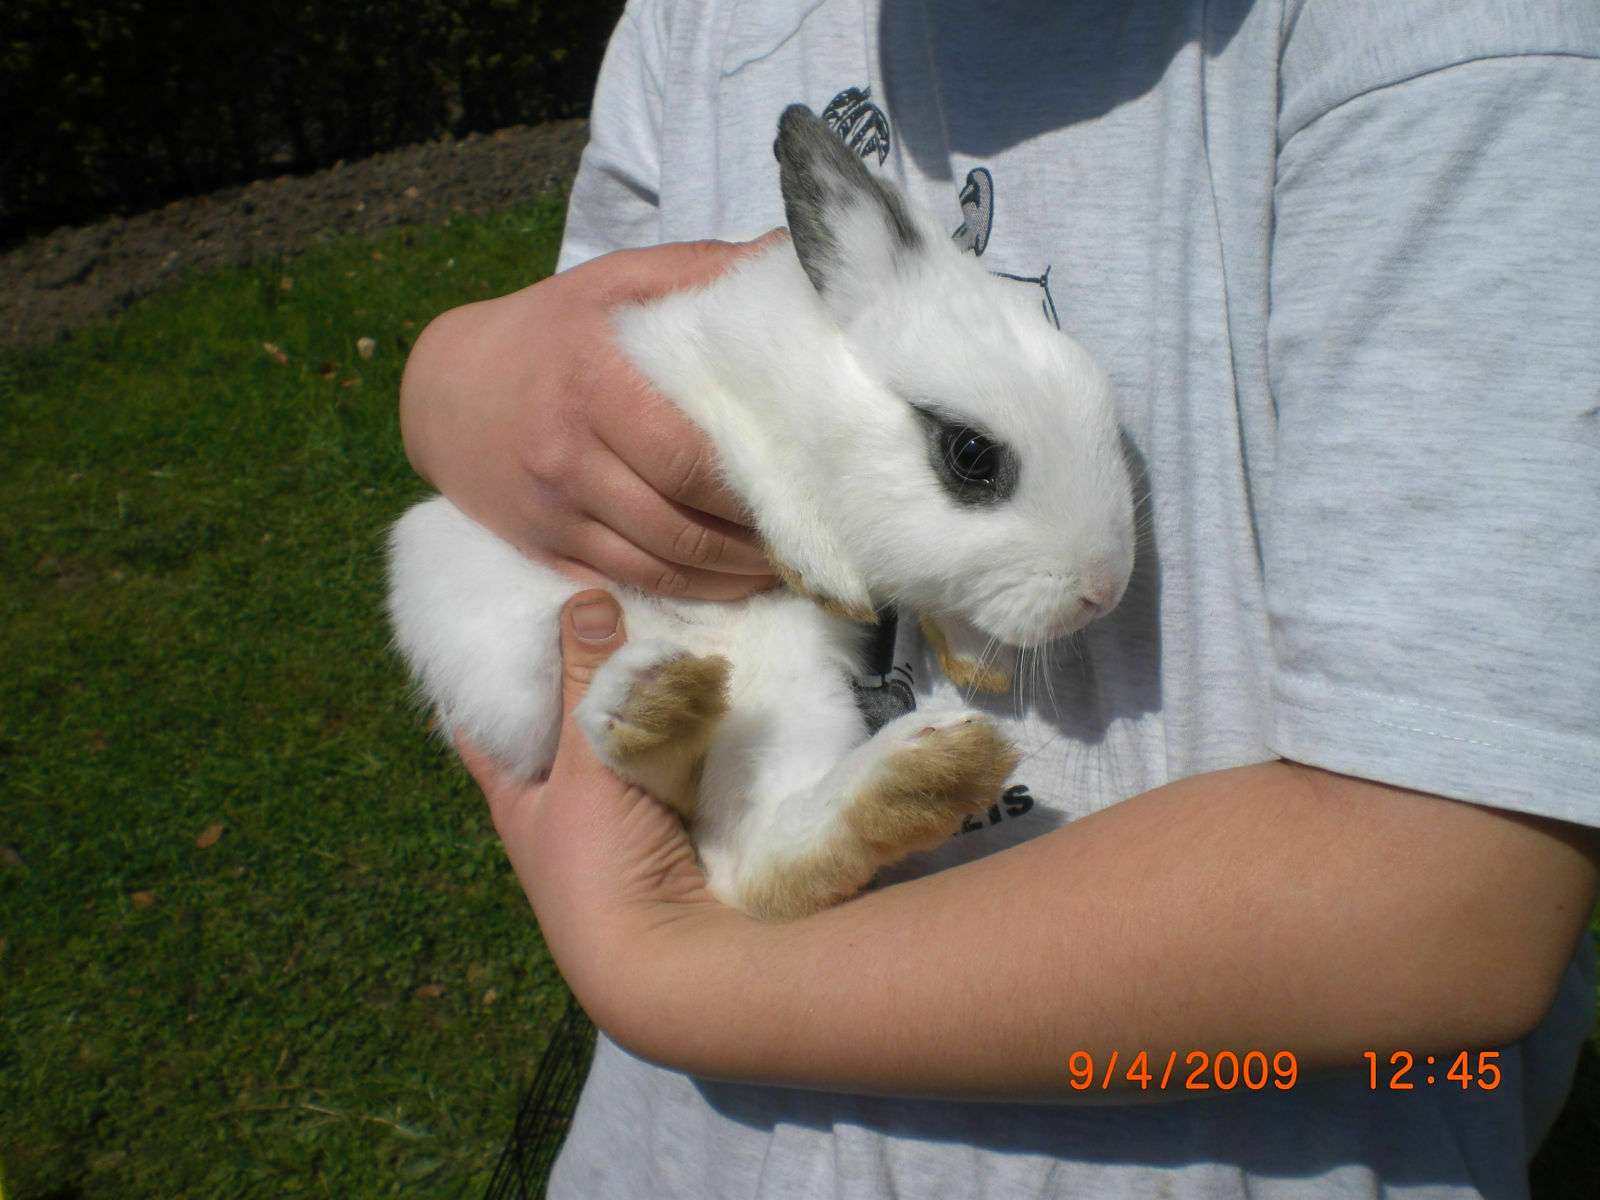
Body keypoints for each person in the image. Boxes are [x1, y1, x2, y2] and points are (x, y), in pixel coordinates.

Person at [399, 1, 1600, 1195]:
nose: (1099, 591)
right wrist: (444, 381)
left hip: (1226, 1153)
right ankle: (706, 769)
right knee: (719, 657)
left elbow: (1444, 901)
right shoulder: (704, 25)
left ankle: (780, 823)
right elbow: (568, 450)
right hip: (673, 1156)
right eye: (970, 462)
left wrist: (657, 969)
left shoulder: (1444, 44)